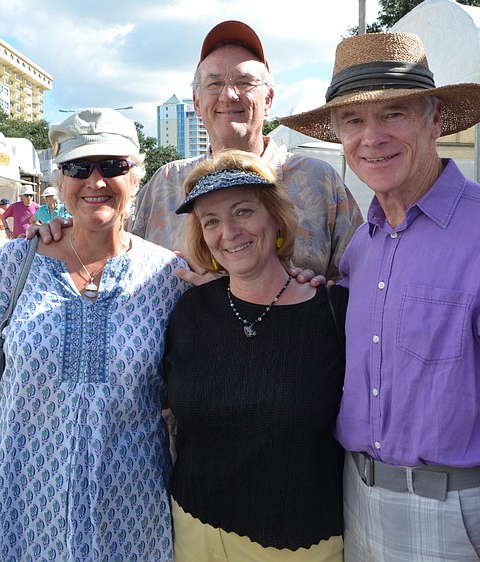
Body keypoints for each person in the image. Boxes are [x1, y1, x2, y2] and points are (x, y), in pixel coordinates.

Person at [281, 32, 480, 562]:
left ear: (434, 119)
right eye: (352, 121)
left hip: (458, 514)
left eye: (393, 114)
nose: (371, 138)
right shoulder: (361, 245)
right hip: (357, 499)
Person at [0, 108, 188, 562]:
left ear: (136, 177)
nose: (96, 181)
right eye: (79, 168)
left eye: (113, 166)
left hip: (128, 518)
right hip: (19, 512)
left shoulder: (166, 275)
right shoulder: (15, 264)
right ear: (59, 182)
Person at [163, 149, 346, 561]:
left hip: (303, 542)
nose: (228, 232)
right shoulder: (188, 312)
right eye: (211, 221)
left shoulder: (333, 314)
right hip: (196, 533)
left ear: (275, 218)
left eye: (243, 212)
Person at [130, 20, 363, 281]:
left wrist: (323, 295)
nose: (229, 95)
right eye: (214, 83)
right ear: (196, 102)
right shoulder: (164, 185)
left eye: (244, 82)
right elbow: (122, 261)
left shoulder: (320, 181)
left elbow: (360, 280)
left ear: (268, 100)